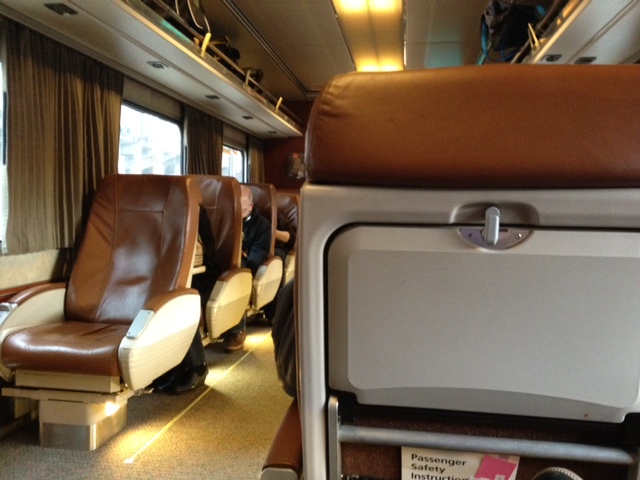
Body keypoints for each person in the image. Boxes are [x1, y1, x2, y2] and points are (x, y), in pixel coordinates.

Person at [222, 184, 272, 352]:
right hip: (223, 260)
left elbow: (256, 257)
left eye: (242, 210)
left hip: (246, 265)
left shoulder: (262, 225)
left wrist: (243, 255)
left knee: (239, 274)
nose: (238, 215)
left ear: (250, 207)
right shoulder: (223, 219)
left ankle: (237, 329)